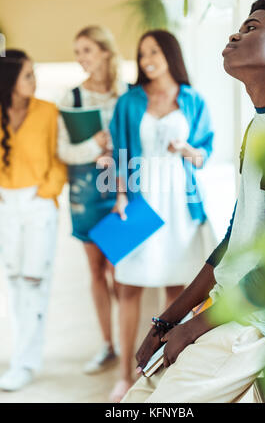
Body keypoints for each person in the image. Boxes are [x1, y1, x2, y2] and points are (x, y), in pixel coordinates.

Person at [121, 0, 265, 404]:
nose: (235, 34)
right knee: (136, 396)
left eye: (252, 27)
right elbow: (235, 240)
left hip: (260, 318)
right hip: (228, 304)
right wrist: (168, 320)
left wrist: (191, 329)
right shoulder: (261, 124)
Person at [109, 29, 215, 401]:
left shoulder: (193, 99)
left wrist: (186, 147)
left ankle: (165, 374)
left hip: (180, 206)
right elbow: (118, 154)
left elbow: (203, 156)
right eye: (141, 54)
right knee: (128, 288)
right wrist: (119, 195)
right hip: (140, 202)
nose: (147, 59)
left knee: (176, 293)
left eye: (153, 51)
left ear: (171, 53)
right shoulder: (129, 102)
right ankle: (124, 376)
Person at [58, 26, 127, 374]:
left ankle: (130, 338)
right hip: (85, 194)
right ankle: (107, 344)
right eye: (77, 52)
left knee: (122, 271)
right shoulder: (72, 98)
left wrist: (113, 149)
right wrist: (95, 145)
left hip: (120, 191)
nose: (81, 58)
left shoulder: (127, 94)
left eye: (86, 50)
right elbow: (64, 151)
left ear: (104, 51)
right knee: (96, 270)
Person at [0, 50, 66, 391]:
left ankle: (25, 362)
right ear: (10, 80)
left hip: (39, 203)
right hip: (5, 204)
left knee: (33, 282)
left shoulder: (48, 111)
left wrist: (46, 190)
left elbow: (60, 157)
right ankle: (21, 356)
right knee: (13, 284)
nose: (34, 80)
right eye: (27, 75)